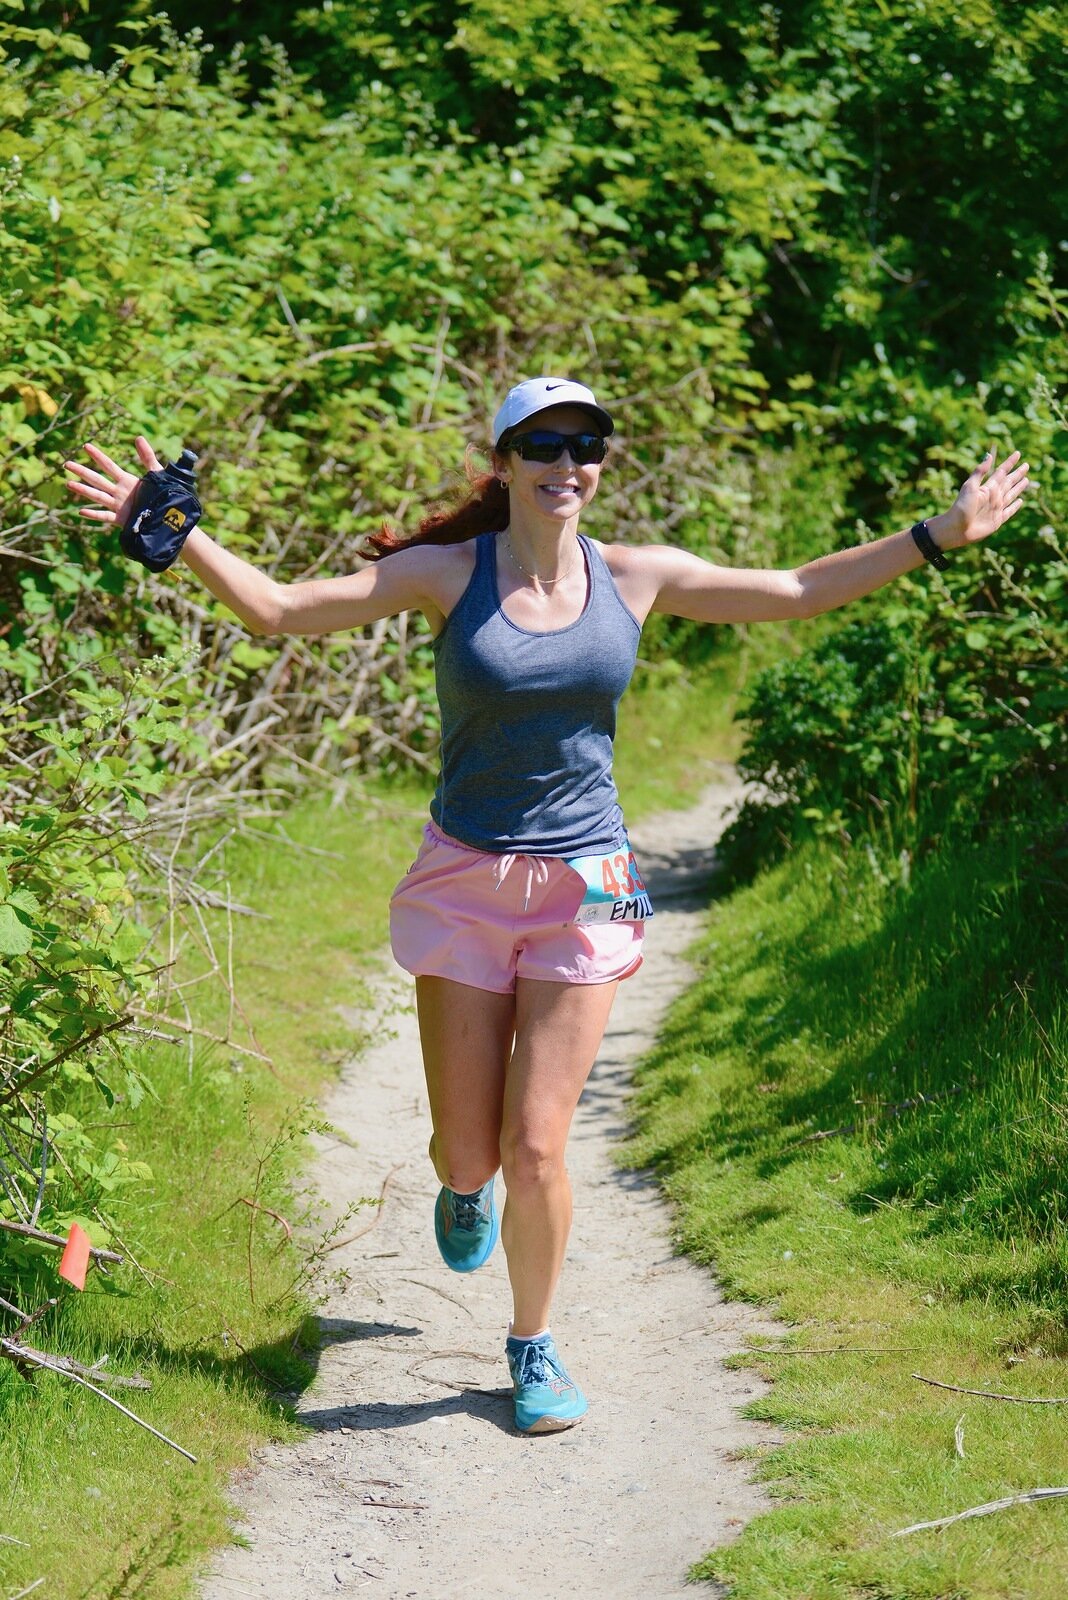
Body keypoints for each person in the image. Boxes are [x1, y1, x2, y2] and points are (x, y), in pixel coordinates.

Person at [65, 377, 1030, 1434]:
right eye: (545, 444)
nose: (568, 463)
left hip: (588, 886)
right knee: (469, 1153)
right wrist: (180, 534)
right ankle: (461, 1185)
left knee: (536, 1146)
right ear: (506, 461)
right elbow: (282, 612)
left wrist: (938, 535)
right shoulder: (446, 575)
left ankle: (532, 1345)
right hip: (466, 881)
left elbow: (797, 588)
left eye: (587, 445)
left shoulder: (637, 575)